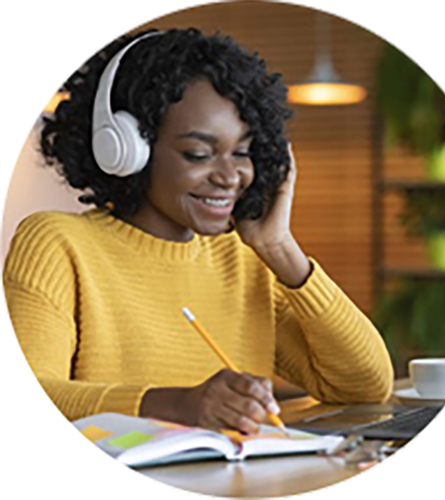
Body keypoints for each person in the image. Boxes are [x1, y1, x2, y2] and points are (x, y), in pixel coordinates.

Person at [3, 28, 393, 435]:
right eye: (199, 154)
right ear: (126, 149)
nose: (230, 176)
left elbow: (366, 386)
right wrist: (178, 405)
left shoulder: (245, 259)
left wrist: (279, 248)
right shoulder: (57, 244)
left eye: (242, 152)